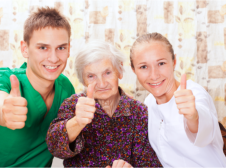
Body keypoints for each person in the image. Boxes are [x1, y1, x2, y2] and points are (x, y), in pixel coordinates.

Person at [0, 7, 75, 168]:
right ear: (24, 49)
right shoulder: (1, 79)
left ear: (69, 49)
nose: (53, 58)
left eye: (61, 48)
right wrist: (3, 110)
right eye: (43, 47)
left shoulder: (66, 89)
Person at [46, 41, 162, 168]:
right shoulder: (73, 104)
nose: (101, 84)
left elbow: (151, 163)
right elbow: (54, 147)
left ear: (119, 71)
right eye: (91, 76)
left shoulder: (139, 112)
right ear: (83, 80)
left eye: (107, 73)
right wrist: (77, 122)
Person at [130, 32, 226, 168]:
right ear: (133, 70)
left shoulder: (194, 94)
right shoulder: (149, 102)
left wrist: (193, 116)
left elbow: (202, 125)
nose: (154, 75)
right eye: (143, 67)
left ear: (174, 62)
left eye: (161, 63)